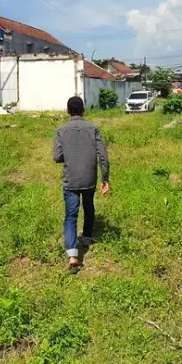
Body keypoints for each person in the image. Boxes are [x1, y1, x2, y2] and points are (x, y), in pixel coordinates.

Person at [52, 96, 110, 273]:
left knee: (71, 216)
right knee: (89, 205)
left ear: (68, 111)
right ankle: (86, 237)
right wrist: (105, 179)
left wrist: (69, 155)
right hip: (89, 178)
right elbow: (103, 157)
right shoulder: (93, 128)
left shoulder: (61, 130)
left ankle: (72, 256)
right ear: (83, 110)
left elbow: (56, 157)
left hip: (71, 179)